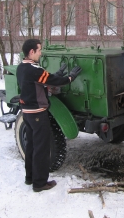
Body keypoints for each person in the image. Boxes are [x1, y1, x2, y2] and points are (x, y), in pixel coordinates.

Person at [16, 39, 82, 192]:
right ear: (31, 52)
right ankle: (40, 183)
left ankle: (30, 177)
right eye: (39, 50)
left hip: (27, 112)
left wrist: (56, 73)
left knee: (31, 147)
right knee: (42, 149)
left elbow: (40, 82)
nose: (41, 53)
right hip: (38, 113)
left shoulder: (21, 67)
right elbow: (55, 81)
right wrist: (70, 77)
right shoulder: (34, 69)